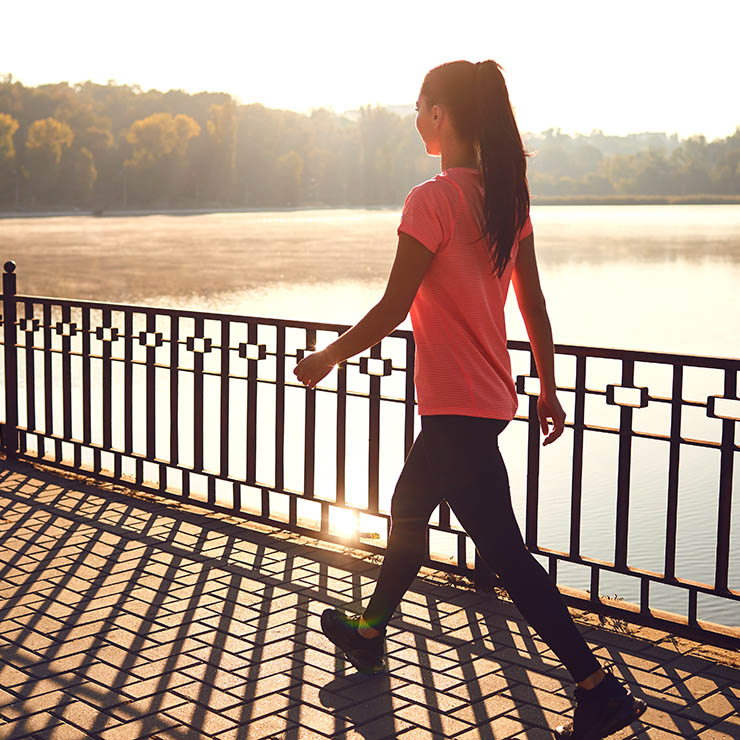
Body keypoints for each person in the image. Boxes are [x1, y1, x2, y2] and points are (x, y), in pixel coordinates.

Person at [293, 60, 647, 739]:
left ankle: (597, 687)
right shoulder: (506, 200)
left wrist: (327, 358)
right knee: (406, 509)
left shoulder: (431, 200)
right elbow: (534, 304)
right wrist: (546, 385)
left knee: (507, 554)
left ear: (442, 115)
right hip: (484, 398)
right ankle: (371, 632)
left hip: (456, 404)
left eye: (420, 105)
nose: (414, 117)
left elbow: (395, 306)